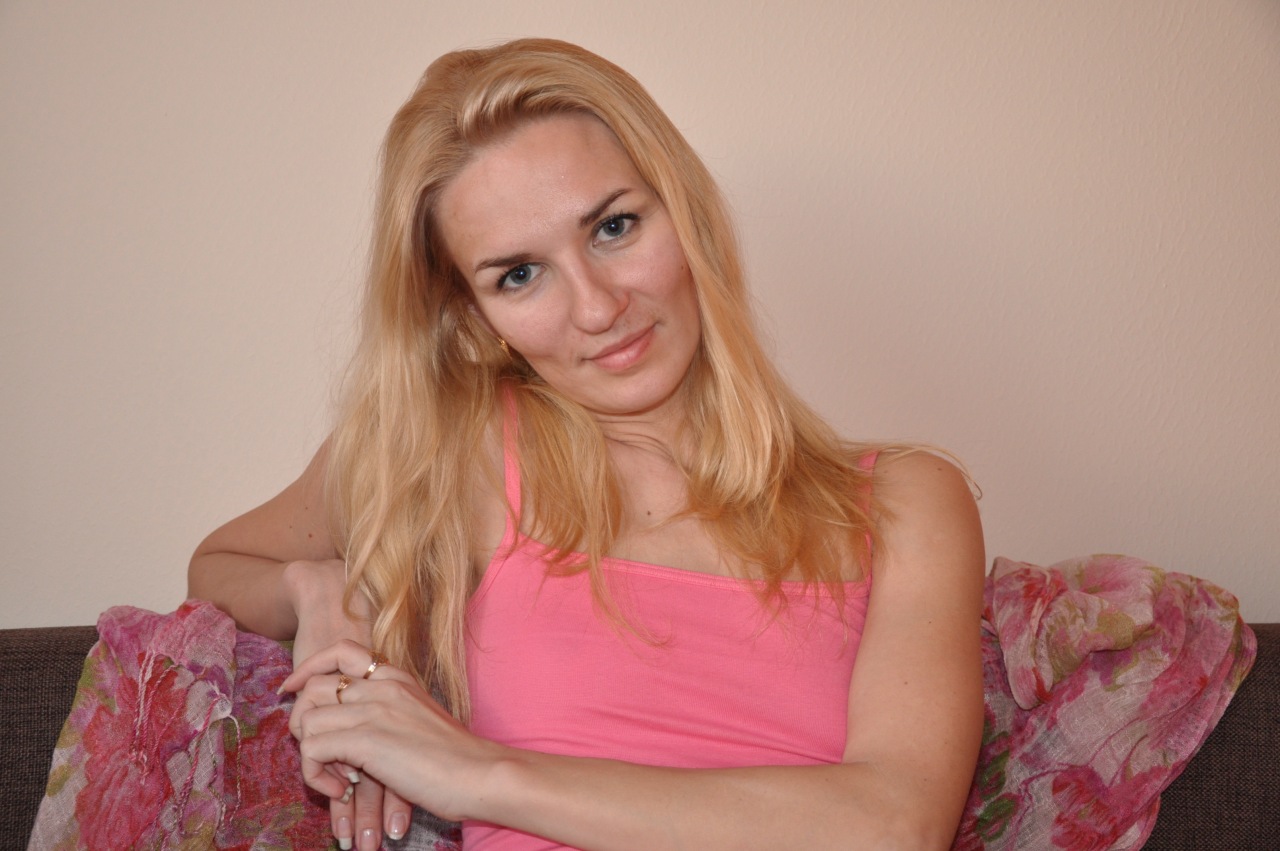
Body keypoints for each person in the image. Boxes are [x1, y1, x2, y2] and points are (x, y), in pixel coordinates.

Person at [189, 38, 985, 851]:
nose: (599, 307)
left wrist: (477, 772)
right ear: (475, 317)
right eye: (519, 275)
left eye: (614, 226)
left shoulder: (905, 503)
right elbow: (218, 565)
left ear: (686, 210)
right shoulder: (454, 450)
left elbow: (896, 825)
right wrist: (321, 589)